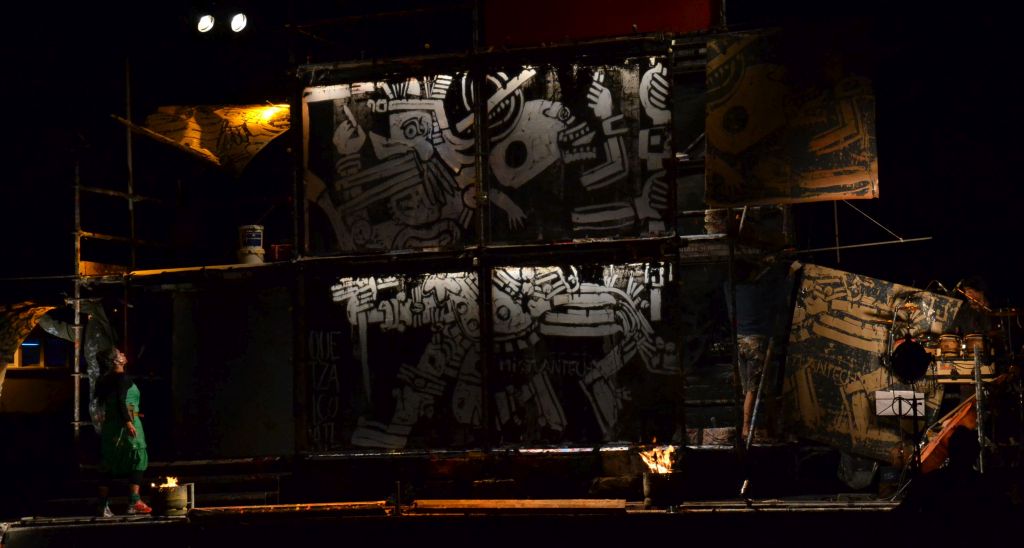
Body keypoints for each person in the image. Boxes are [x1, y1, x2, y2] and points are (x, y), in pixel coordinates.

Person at [94, 347, 151, 516]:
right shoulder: (122, 378)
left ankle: (102, 505)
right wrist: (128, 422)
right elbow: (121, 400)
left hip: (111, 426)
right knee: (138, 458)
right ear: (115, 361)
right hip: (127, 423)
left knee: (109, 462)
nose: (124, 355)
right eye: (120, 354)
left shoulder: (105, 380)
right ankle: (134, 501)